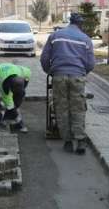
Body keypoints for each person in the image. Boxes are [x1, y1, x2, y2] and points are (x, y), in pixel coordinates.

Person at [40, 12, 95, 154]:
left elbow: (45, 58)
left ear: (70, 22)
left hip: (59, 76)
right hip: (77, 77)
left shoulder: (55, 36)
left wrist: (50, 71)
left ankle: (68, 141)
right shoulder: (86, 39)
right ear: (80, 24)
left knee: (62, 108)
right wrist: (82, 73)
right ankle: (81, 140)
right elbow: (90, 63)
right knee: (78, 108)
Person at [0, 62, 31, 133]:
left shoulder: (25, 72)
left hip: (6, 69)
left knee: (20, 95)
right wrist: (19, 121)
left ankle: (9, 114)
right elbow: (9, 103)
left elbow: (27, 78)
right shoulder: (4, 87)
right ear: (10, 87)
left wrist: (15, 106)